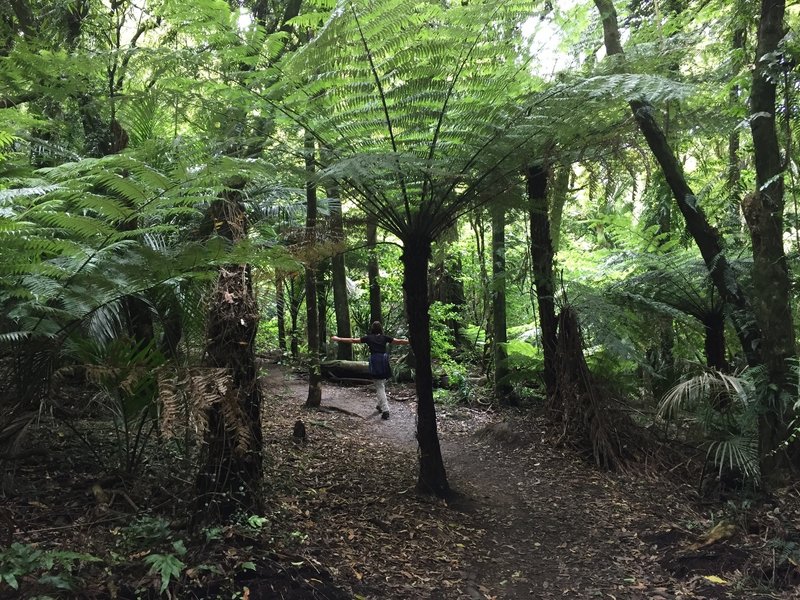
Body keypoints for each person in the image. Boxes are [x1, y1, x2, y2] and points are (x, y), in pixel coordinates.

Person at [331, 321, 409, 420]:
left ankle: (385, 410)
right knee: (380, 384)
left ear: (372, 328)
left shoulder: (369, 338)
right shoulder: (384, 337)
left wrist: (339, 339)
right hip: (383, 360)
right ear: (381, 328)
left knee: (379, 385)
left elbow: (353, 340)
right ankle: (380, 405)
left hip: (375, 361)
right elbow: (398, 341)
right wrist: (410, 341)